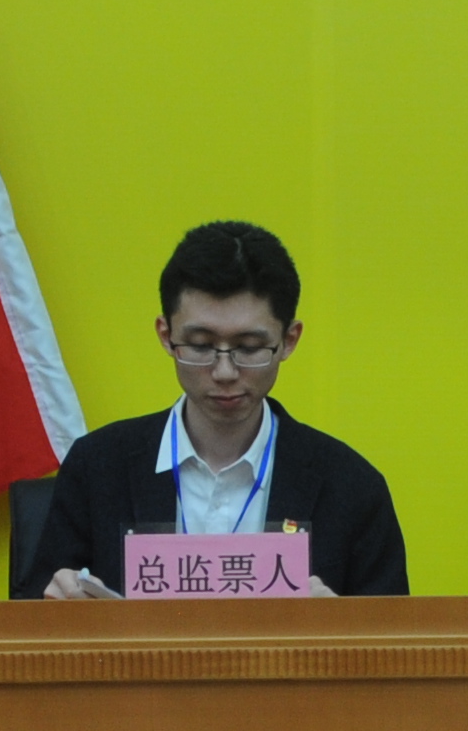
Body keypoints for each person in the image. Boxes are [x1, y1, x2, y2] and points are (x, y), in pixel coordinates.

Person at [23, 221, 409, 598]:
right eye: (200, 345)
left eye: (250, 348)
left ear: (289, 340)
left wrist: (340, 628)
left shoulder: (352, 487)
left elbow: (395, 638)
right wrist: (54, 606)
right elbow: (26, 621)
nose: (224, 372)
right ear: (166, 335)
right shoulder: (96, 468)